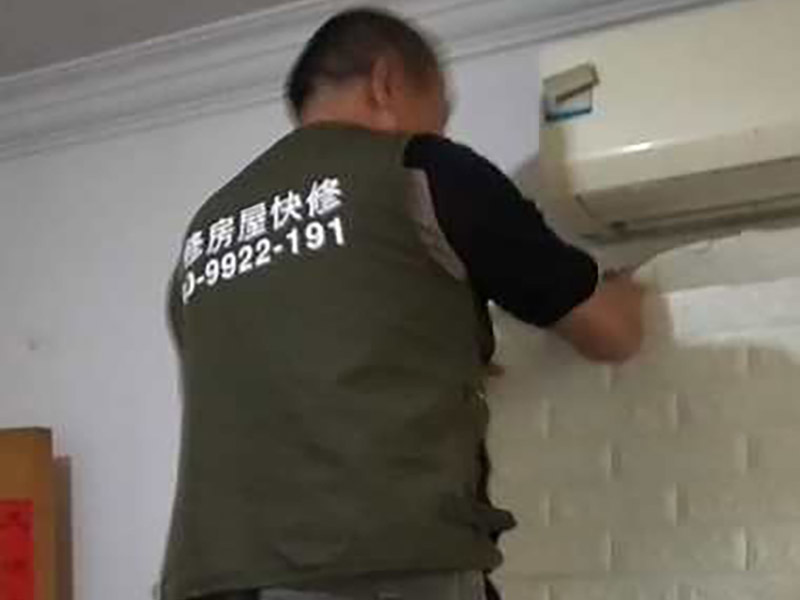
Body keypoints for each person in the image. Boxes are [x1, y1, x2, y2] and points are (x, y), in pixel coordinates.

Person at [161, 8, 644, 600]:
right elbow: (611, 333)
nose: (440, 131)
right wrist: (631, 286)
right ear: (385, 82)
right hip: (371, 567)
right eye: (439, 111)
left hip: (207, 577)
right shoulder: (422, 169)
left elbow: (289, 363)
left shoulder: (206, 231)